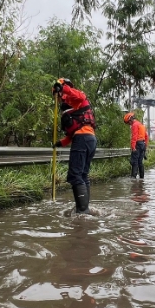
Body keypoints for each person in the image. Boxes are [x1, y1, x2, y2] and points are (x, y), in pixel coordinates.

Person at [52, 78, 97, 214]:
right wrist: (60, 143)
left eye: (58, 95)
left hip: (83, 139)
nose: (59, 99)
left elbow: (79, 95)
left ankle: (82, 211)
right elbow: (71, 135)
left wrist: (62, 88)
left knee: (75, 175)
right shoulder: (73, 109)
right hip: (89, 139)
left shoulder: (76, 97)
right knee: (82, 175)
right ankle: (85, 209)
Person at [123, 112, 149, 179]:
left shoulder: (134, 125)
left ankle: (133, 179)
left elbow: (134, 137)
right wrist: (145, 146)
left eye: (128, 122)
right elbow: (146, 136)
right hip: (142, 144)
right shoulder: (141, 125)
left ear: (130, 120)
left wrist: (133, 147)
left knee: (134, 162)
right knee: (140, 162)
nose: (129, 124)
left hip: (137, 145)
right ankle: (142, 179)